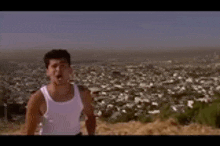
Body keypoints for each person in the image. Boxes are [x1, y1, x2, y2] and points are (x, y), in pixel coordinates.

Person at [25, 49, 96, 135]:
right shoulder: (38, 98)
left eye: (63, 66)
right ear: (47, 71)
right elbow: (29, 131)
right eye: (54, 66)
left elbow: (90, 116)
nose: (58, 69)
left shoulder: (82, 94)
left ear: (70, 70)